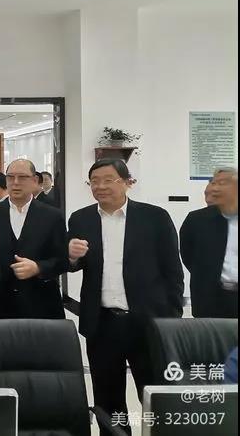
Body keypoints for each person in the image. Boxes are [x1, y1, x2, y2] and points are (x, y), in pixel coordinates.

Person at [68, 158, 183, 427]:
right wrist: (71, 256)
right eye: (94, 181)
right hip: (102, 323)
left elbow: (173, 271)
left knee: (155, 394)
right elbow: (74, 264)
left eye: (108, 180)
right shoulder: (81, 218)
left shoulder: (155, 217)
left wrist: (171, 316)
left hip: (148, 322)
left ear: (127, 183)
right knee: (107, 400)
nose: (100, 186)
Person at [0, 159, 67, 319]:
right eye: (10, 177)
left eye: (22, 177)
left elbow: (62, 260)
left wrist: (38, 267)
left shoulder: (52, 216)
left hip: (41, 305)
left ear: (34, 180)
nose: (15, 182)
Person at [180, 167, 238, 318]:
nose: (215, 189)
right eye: (214, 183)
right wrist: (207, 275)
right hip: (211, 299)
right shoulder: (196, 220)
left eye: (223, 183)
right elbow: (188, 256)